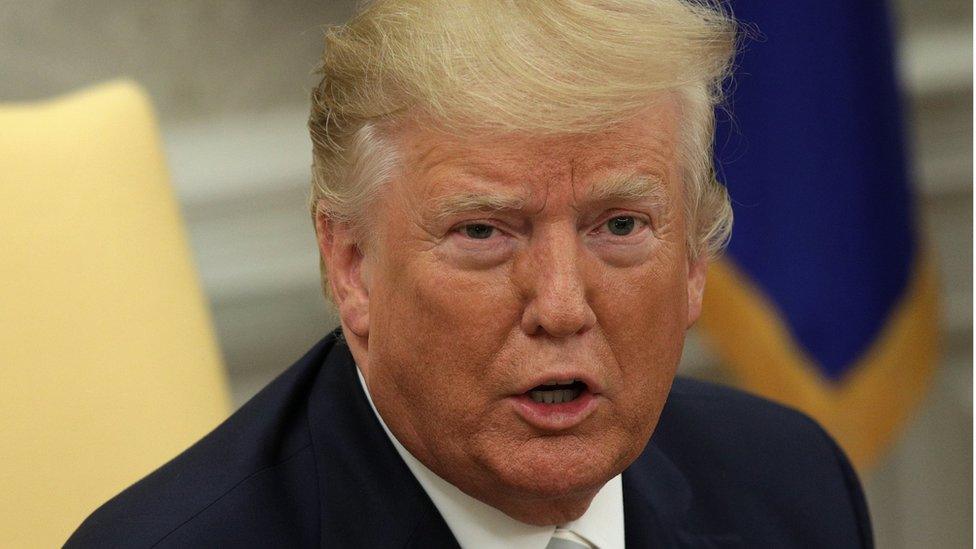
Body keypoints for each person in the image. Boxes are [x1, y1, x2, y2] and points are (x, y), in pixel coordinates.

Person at [67, 1, 873, 547]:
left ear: (695, 258)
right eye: (484, 231)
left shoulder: (792, 488)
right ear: (351, 266)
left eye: (620, 225)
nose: (561, 306)